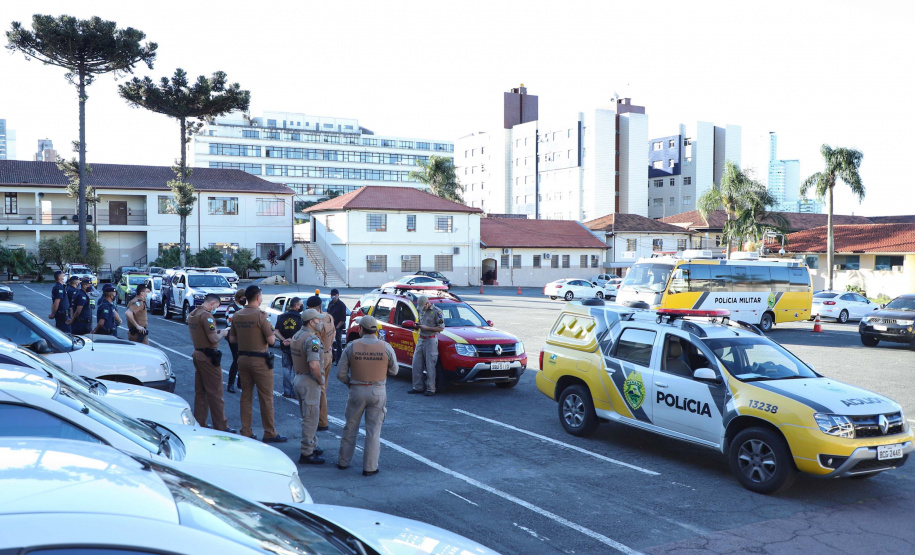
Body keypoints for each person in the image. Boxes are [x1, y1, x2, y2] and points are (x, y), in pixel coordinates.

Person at [336, 315, 397, 476]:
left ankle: (343, 461)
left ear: (361, 329)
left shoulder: (352, 346)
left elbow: (341, 374)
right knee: (373, 431)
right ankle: (370, 467)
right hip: (377, 391)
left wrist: (351, 383)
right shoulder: (385, 347)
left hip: (356, 389)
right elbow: (394, 370)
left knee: (350, 426)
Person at [228, 285, 286, 443]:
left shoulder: (237, 315)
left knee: (245, 396)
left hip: (243, 359)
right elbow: (271, 340)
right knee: (266, 397)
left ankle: (245, 430)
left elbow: (232, 339)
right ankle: (270, 432)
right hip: (260, 360)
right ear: (258, 297)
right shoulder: (261, 315)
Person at [188, 293, 234, 432]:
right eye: (217, 306)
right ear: (213, 303)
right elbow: (213, 339)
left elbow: (205, 333)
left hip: (198, 353)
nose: (216, 309)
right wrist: (223, 333)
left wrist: (218, 331)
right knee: (215, 392)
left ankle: (200, 422)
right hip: (208, 356)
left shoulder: (193, 314)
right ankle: (221, 425)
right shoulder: (207, 316)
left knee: (201, 392)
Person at [290, 308, 326, 465]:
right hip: (309, 381)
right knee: (311, 418)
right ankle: (307, 452)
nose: (320, 322)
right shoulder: (312, 340)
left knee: (307, 416)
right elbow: (314, 365)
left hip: (298, 378)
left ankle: (311, 444)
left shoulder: (298, 335)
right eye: (318, 320)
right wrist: (321, 380)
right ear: (311, 322)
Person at [306, 295, 335, 431]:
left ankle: (322, 421)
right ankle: (322, 419)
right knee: (324, 387)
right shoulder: (329, 317)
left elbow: (314, 342)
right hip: (329, 353)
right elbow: (334, 333)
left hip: (321, 356)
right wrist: (328, 345)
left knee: (320, 389)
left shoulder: (317, 323)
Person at [409, 295, 444, 396]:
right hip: (421, 339)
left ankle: (430, 388)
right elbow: (421, 321)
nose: (421, 309)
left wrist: (427, 328)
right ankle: (417, 387)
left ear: (427, 303)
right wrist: (418, 325)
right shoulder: (422, 310)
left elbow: (441, 328)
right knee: (416, 364)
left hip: (431, 340)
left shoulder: (437, 312)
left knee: (430, 366)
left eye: (423, 307)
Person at [273, 297, 303, 399]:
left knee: (286, 368)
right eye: (300, 304)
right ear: (296, 306)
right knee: (296, 370)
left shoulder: (281, 316)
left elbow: (276, 331)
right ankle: (294, 392)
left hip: (284, 346)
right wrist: (292, 340)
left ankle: (286, 391)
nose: (301, 306)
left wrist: (283, 340)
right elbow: (302, 332)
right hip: (297, 347)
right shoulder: (300, 318)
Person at [225, 289, 246, 393]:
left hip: (243, 336)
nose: (245, 300)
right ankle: (230, 384)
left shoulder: (244, 308)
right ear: (239, 297)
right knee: (236, 359)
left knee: (242, 359)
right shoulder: (232, 308)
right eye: (243, 298)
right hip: (234, 336)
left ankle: (240, 382)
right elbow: (230, 323)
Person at [326, 288, 347, 365]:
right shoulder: (331, 303)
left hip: (338, 327)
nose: (333, 297)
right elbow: (328, 313)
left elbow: (343, 319)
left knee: (338, 343)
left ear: (338, 295)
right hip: (330, 326)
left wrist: (336, 328)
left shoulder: (341, 305)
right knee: (329, 342)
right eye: (332, 295)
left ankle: (338, 360)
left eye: (334, 295)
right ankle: (333, 357)